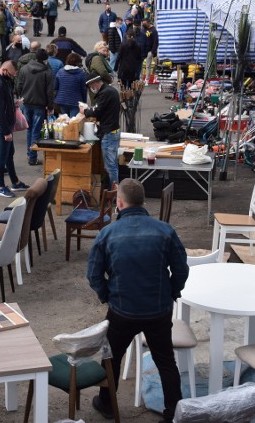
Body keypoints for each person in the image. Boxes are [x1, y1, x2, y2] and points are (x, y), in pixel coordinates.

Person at [86, 178, 189, 423]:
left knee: (111, 357)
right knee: (165, 361)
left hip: (122, 310)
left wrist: (107, 296)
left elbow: (93, 275)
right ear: (142, 201)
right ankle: (173, 413)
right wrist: (171, 294)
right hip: (158, 309)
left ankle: (107, 404)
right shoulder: (165, 230)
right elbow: (181, 270)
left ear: (119, 203)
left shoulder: (107, 233)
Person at [0, 60, 30, 198]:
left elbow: (4, 103)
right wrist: (6, 132)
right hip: (2, 125)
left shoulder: (2, 80)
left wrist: (14, 103)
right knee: (2, 156)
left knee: (9, 153)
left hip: (5, 123)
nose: (12, 77)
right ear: (5, 70)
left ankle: (15, 182)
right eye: (11, 75)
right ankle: (0, 187)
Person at [81, 74, 121, 187]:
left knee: (110, 166)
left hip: (109, 133)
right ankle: (113, 189)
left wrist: (85, 111)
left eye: (90, 86)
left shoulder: (105, 93)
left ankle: (113, 192)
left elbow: (97, 111)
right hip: (112, 130)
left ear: (94, 83)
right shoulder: (109, 90)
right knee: (112, 164)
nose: (91, 89)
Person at [16, 49, 54, 166]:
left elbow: (19, 85)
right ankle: (32, 157)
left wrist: (21, 96)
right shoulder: (47, 71)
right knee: (36, 131)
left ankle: (30, 153)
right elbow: (49, 91)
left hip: (26, 103)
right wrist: (50, 106)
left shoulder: (24, 69)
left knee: (29, 129)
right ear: (44, 59)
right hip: (40, 105)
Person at [55, 53, 87, 117]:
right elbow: (83, 89)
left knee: (65, 121)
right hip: (75, 101)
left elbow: (55, 86)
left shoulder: (60, 72)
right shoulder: (81, 73)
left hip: (62, 100)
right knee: (73, 122)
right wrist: (84, 102)